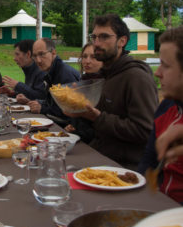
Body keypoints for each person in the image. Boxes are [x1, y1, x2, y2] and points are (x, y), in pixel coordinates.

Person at [67, 14, 158, 170]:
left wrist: (97, 117)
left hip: (125, 168)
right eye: (94, 37)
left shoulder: (136, 77)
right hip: (99, 155)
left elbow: (146, 131)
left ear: (122, 41)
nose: (96, 43)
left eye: (104, 37)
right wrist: (80, 109)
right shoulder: (105, 75)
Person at [138, 26, 183, 203]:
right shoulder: (166, 107)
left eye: (165, 65)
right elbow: (148, 162)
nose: (157, 73)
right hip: (158, 206)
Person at [21, 38, 80, 117]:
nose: (38, 60)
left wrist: (42, 109)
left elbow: (69, 112)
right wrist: (36, 102)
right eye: (34, 56)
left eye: (42, 54)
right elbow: (53, 103)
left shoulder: (65, 75)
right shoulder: (53, 70)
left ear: (53, 52)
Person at [64, 42, 103, 142]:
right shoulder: (82, 82)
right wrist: (72, 127)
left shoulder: (105, 85)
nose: (87, 61)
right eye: (84, 57)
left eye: (93, 57)